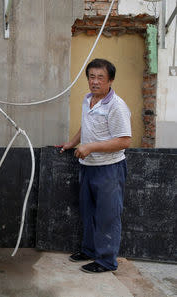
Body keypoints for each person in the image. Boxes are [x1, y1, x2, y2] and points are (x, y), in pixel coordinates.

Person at [58, 58, 132, 273]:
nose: (95, 81)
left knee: (107, 215)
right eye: (92, 77)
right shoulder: (87, 99)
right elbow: (87, 125)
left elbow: (125, 140)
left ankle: (107, 261)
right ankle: (89, 251)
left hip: (109, 169)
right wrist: (72, 143)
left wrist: (91, 147)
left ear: (110, 80)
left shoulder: (117, 106)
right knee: (88, 212)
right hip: (87, 166)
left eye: (101, 77)